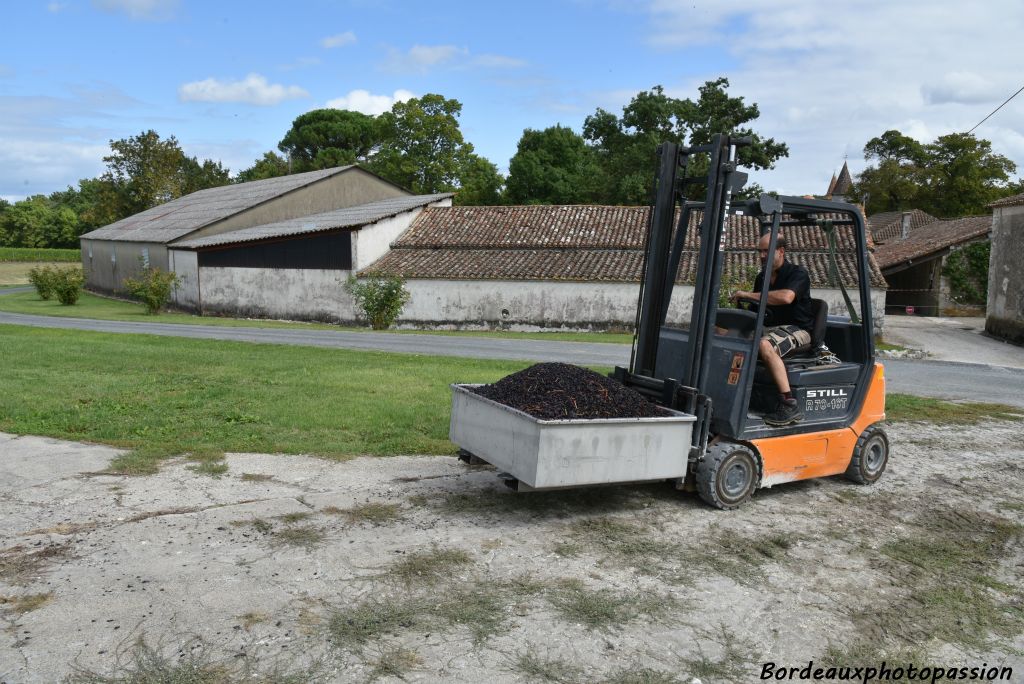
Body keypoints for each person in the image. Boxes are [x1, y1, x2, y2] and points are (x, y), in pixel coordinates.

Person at [731, 233, 813, 426]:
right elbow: (755, 308)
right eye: (760, 251)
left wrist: (748, 294)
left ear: (781, 251)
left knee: (763, 344)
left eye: (766, 251)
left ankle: (789, 403)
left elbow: (786, 297)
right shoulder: (762, 278)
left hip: (798, 329)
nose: (761, 255)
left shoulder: (798, 273)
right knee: (726, 336)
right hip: (770, 328)